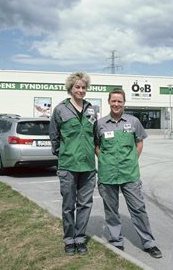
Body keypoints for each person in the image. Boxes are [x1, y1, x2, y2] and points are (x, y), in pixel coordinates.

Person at [94, 88, 162, 259]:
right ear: (109, 102)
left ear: (124, 103)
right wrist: (104, 160)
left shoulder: (133, 122)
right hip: (107, 174)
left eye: (120, 101)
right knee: (111, 209)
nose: (116, 104)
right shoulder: (100, 124)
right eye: (113, 101)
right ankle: (116, 240)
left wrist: (132, 160)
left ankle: (149, 243)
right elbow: (97, 146)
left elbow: (139, 143)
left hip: (129, 174)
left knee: (138, 209)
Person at [49, 72, 97, 256]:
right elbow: (53, 134)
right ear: (71, 88)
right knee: (68, 205)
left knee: (85, 204)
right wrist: (61, 153)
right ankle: (69, 240)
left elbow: (95, 134)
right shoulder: (61, 109)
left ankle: (80, 239)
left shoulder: (91, 109)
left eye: (83, 87)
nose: (81, 90)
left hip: (88, 166)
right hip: (68, 165)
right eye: (77, 87)